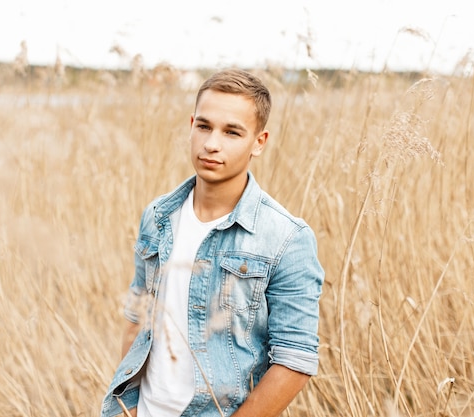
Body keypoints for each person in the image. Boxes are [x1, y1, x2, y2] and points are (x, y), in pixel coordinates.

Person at [100, 68, 324, 417]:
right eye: (204, 126)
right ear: (191, 124)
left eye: (232, 132)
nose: (211, 144)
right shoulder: (158, 216)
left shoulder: (286, 238)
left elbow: (295, 361)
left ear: (259, 142)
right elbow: (138, 315)